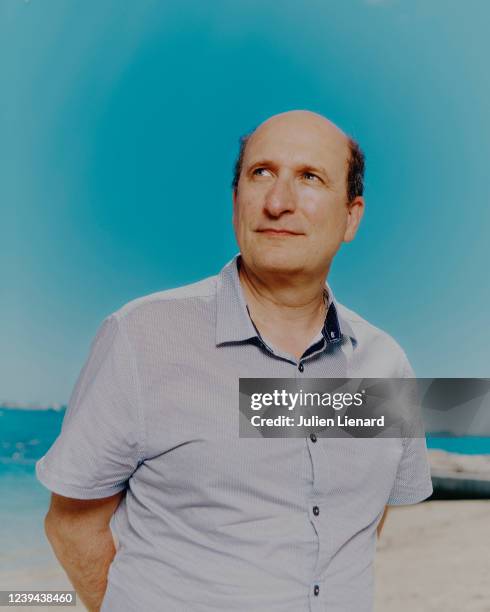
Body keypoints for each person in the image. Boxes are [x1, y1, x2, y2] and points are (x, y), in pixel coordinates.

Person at [36, 110, 433, 612]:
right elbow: (72, 523)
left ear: (352, 216)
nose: (278, 202)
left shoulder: (386, 364)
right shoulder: (141, 337)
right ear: (235, 202)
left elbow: (362, 516)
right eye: (260, 173)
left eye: (309, 178)